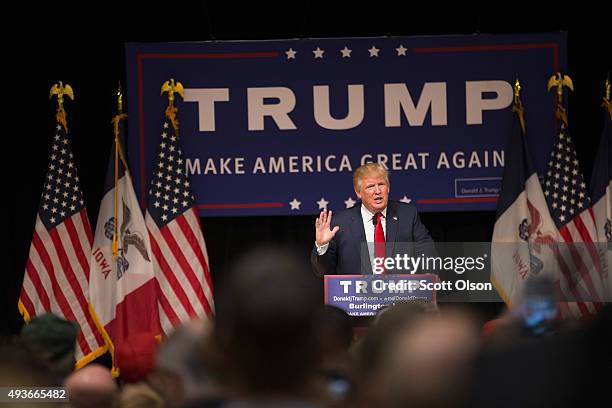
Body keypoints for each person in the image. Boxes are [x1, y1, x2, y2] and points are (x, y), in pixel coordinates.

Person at [311, 162, 434, 276]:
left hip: (400, 295)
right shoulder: (340, 223)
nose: (377, 191)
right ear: (358, 192)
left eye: (381, 184)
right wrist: (322, 246)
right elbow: (322, 271)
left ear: (388, 188)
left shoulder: (406, 214)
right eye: (370, 187)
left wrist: (429, 274)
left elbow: (426, 249)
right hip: (356, 297)